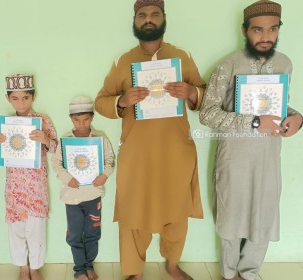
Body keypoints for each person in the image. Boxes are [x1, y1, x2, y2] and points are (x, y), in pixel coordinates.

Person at [94, 0, 206, 279]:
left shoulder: (182, 57)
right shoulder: (123, 61)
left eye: (154, 14)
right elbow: (101, 102)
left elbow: (204, 96)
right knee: (134, 212)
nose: (148, 19)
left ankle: (171, 264)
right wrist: (122, 99)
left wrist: (191, 92)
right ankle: (133, 272)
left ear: (163, 18)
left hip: (176, 150)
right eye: (142, 15)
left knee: (177, 211)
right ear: (134, 21)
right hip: (137, 153)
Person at [199, 1, 303, 279]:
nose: (265, 37)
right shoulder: (228, 65)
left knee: (264, 215)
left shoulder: (285, 64)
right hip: (234, 157)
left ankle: (250, 272)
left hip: (268, 156)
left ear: (279, 29)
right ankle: (229, 273)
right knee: (231, 217)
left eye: (272, 30)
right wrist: (254, 122)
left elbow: (280, 107)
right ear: (245, 30)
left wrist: (298, 118)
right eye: (258, 30)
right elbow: (207, 114)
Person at [0, 74, 57, 280]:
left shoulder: (42, 120)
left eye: (26, 98)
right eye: (15, 98)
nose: (21, 102)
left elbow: (56, 148)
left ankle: (35, 266)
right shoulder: (6, 123)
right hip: (14, 187)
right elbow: (0, 154)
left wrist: (46, 139)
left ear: (33, 96)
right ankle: (22, 267)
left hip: (36, 184)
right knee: (16, 228)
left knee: (36, 227)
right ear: (8, 98)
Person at [51, 96, 115, 280]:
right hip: (71, 197)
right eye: (77, 120)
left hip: (93, 195)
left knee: (93, 233)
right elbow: (57, 164)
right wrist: (67, 178)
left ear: (92, 118)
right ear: (71, 119)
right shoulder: (65, 141)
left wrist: (104, 174)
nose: (82, 124)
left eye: (86, 119)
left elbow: (110, 160)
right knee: (74, 234)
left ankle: (89, 265)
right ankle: (79, 270)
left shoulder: (100, 138)